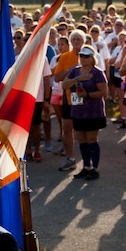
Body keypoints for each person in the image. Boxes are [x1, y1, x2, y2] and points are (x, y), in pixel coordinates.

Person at [62, 45, 108, 180]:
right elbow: (64, 85)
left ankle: (95, 168)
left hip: (93, 112)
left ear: (92, 58)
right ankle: (86, 167)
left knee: (91, 139)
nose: (82, 58)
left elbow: (104, 93)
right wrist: (78, 79)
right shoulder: (75, 71)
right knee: (81, 139)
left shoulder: (97, 73)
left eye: (86, 56)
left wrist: (87, 95)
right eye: (81, 56)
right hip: (78, 111)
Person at [52, 30, 85, 171]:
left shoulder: (89, 55)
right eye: (74, 39)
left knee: (84, 130)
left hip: (85, 97)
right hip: (68, 97)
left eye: (79, 39)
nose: (76, 42)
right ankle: (70, 158)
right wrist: (70, 70)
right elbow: (57, 77)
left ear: (83, 41)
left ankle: (88, 162)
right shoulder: (65, 57)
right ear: (71, 42)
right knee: (67, 128)